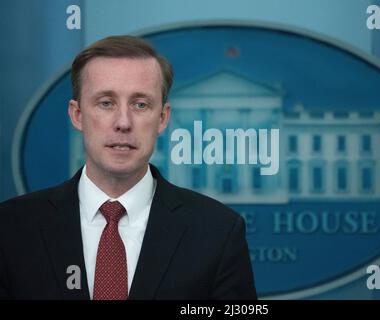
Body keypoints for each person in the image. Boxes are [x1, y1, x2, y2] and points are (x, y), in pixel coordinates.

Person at [0, 35, 257, 300]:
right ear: (77, 115)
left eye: (140, 104)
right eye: (106, 103)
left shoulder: (218, 232)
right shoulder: (10, 229)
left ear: (162, 118)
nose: (123, 122)